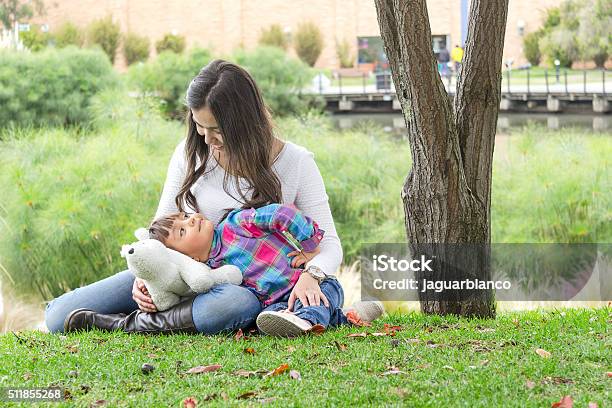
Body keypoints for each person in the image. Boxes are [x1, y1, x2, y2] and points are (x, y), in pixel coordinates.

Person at [46, 60, 383, 336]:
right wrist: (146, 279)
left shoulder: (296, 163)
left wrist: (312, 274)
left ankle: (136, 324)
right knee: (58, 318)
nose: (206, 139)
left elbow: (331, 244)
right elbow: (160, 228)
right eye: (199, 127)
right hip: (177, 275)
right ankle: (154, 317)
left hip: (244, 289)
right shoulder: (191, 153)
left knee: (233, 305)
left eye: (216, 129)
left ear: (245, 123)